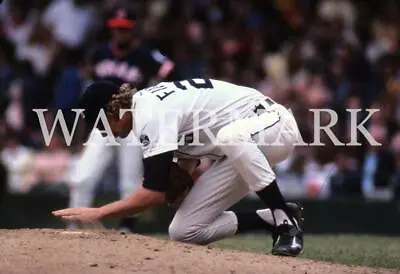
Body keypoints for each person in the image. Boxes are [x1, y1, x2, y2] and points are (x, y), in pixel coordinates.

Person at [54, 79, 304, 256]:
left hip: (273, 125)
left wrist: (98, 213)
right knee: (184, 231)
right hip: (241, 149)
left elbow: (152, 194)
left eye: (100, 123)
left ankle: (285, 221)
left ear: (114, 110)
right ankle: (269, 219)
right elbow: (186, 158)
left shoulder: (149, 113)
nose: (101, 131)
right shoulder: (147, 112)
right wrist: (181, 176)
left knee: (231, 137)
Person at [68, 7, 176, 232]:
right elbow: (88, 86)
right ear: (111, 29)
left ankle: (127, 227)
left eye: (124, 29)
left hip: (132, 122)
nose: (120, 33)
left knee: (129, 179)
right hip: (103, 122)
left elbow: (170, 69)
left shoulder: (145, 54)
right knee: (82, 176)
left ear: (133, 30)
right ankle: (75, 222)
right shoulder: (99, 53)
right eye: (116, 28)